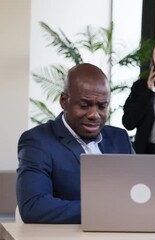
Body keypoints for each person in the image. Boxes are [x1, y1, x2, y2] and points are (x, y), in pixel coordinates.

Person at [16, 63, 135, 224]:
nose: (94, 114)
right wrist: (103, 210)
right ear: (64, 101)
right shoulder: (38, 142)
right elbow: (33, 206)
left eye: (102, 106)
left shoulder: (120, 138)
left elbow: (139, 189)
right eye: (85, 105)